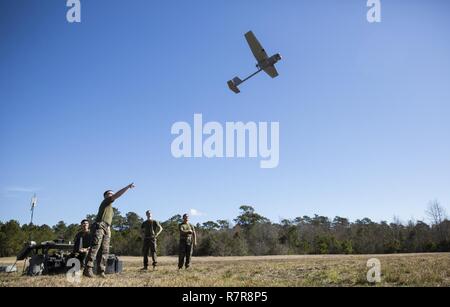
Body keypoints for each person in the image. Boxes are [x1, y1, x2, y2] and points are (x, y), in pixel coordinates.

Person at [83, 183, 135, 278]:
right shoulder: (106, 201)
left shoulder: (110, 208)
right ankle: (87, 269)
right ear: (105, 196)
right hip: (100, 226)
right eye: (110, 193)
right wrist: (127, 187)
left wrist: (109, 229)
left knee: (105, 251)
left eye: (112, 194)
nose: (112, 195)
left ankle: (101, 271)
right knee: (95, 247)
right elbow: (117, 195)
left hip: (107, 227)